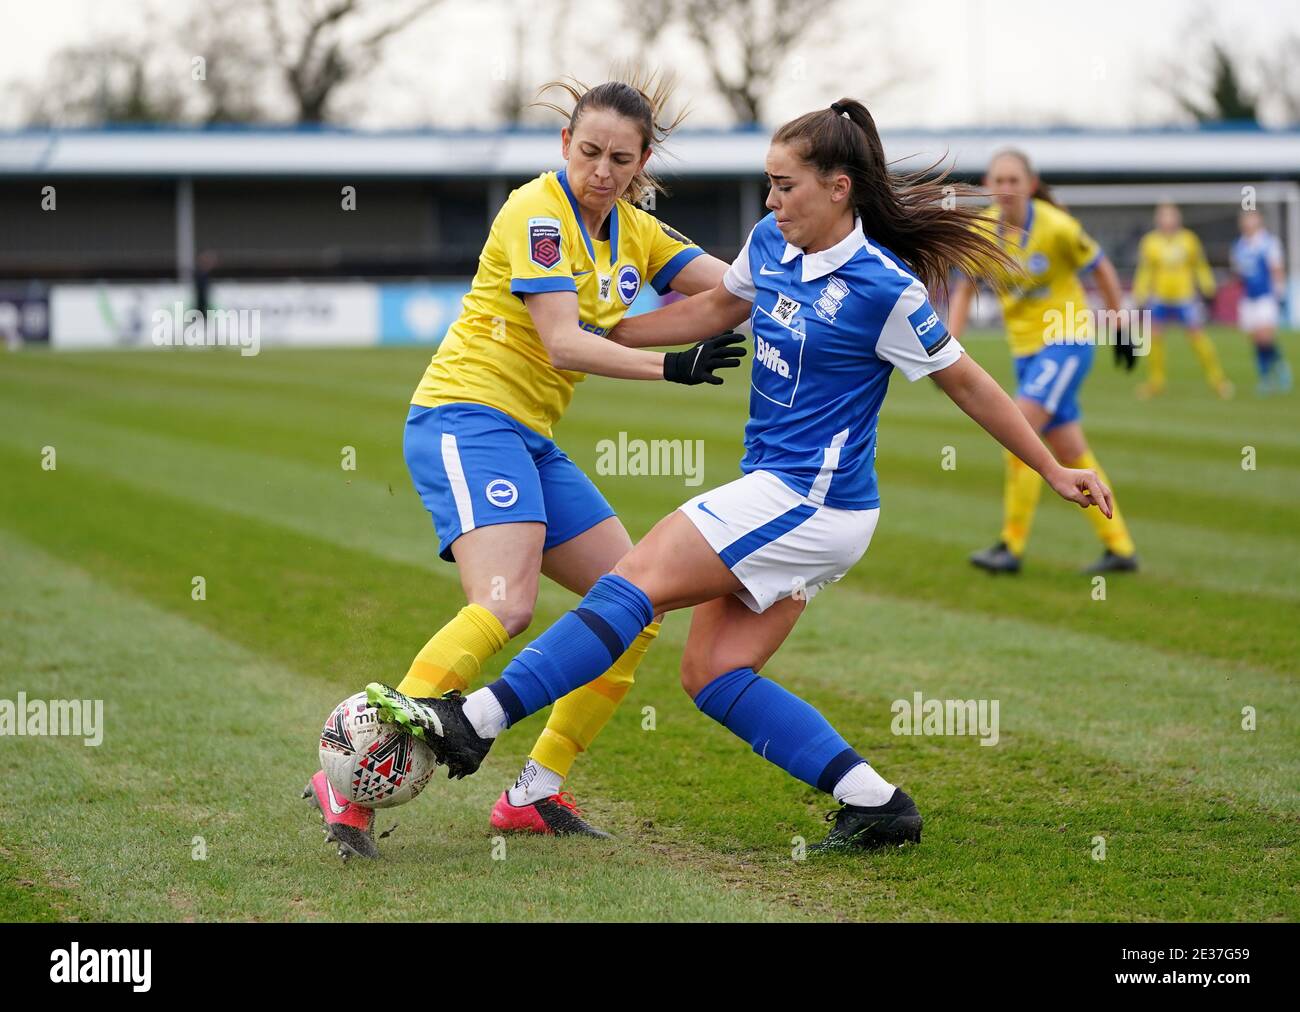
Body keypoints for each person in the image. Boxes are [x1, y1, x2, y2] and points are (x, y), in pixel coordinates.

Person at [363, 98, 1114, 853]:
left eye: (785, 185)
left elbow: (969, 382)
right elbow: (717, 306)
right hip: (785, 497)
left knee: (637, 578)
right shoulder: (771, 245)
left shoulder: (884, 289)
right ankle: (878, 804)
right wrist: (610, 330)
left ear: (837, 188)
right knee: (713, 674)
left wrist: (1050, 465)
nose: (771, 199)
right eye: (769, 183)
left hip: (812, 501)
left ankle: (475, 720)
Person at [305, 75, 744, 860]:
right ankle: (352, 772)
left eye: (619, 158)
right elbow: (562, 341)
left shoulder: (636, 232)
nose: (601, 170)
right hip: (465, 415)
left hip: (529, 436)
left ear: (641, 162)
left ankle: (534, 792)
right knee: (505, 604)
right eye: (588, 152)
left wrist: (824, 261)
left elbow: (736, 286)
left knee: (636, 602)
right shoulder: (536, 211)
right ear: (563, 146)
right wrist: (673, 367)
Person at [947, 149, 1140, 575]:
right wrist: (950, 345)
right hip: (1026, 351)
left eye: (1015, 180)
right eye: (999, 180)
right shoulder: (983, 231)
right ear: (988, 185)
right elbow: (963, 288)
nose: (1007, 188)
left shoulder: (1055, 226)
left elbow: (1102, 268)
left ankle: (1010, 547)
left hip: (1066, 339)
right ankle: (1120, 548)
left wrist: (1121, 326)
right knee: (1070, 449)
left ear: (1031, 185)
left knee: (1020, 430)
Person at [1132, 202, 1232, 399]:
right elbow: (1145, 270)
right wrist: (1140, 292)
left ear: (1178, 219)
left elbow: (1199, 265)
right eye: (1163, 216)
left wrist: (1207, 285)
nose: (1167, 220)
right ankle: (1156, 382)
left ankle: (1218, 380)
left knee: (1197, 337)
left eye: (1170, 216)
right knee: (1154, 338)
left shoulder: (1188, 240)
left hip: (1184, 297)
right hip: (1159, 297)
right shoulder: (1150, 242)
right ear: (1157, 220)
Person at [1231, 210, 1291, 395]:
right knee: (1256, 339)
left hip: (1266, 296)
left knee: (1265, 337)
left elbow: (1277, 269)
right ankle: (1266, 376)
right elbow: (1240, 273)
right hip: (1248, 298)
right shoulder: (1239, 245)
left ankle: (1278, 368)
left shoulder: (1268, 243)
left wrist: (1280, 295)